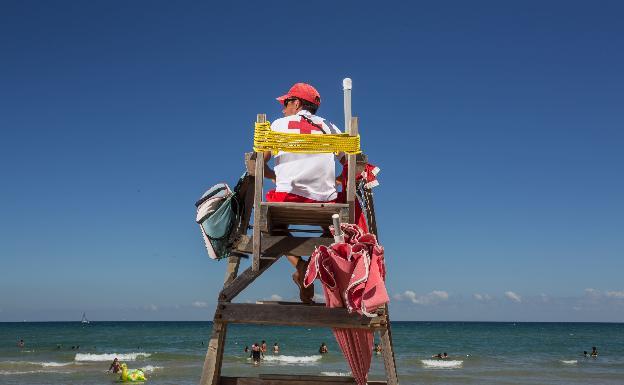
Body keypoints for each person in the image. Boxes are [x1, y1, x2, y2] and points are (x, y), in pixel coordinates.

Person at [262, 83, 343, 304]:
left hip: (288, 199)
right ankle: (311, 265)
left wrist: (272, 176)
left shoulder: (278, 125)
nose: (283, 109)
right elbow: (350, 161)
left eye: (286, 103)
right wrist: (335, 180)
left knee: (274, 228)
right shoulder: (330, 127)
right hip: (326, 203)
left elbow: (259, 161)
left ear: (296, 103)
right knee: (333, 231)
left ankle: (302, 266)